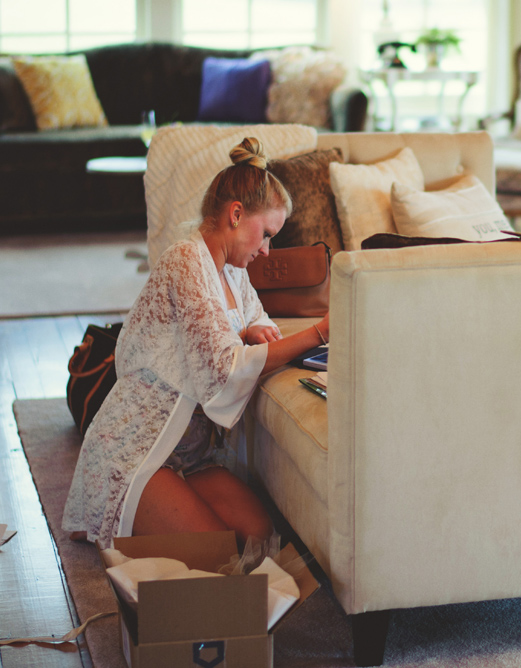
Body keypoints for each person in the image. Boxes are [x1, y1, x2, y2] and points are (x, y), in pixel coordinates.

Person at [62, 137, 330, 549]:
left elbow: (255, 321)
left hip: (192, 457)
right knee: (215, 551)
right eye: (266, 234)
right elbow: (224, 368)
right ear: (236, 214)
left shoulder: (234, 272)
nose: (266, 249)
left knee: (260, 539)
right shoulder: (185, 261)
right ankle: (118, 507)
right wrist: (318, 334)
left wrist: (251, 330)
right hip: (141, 450)